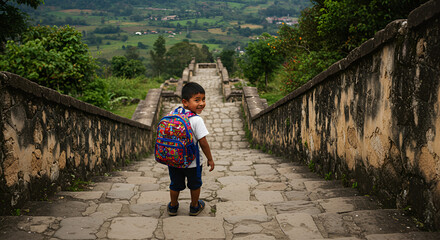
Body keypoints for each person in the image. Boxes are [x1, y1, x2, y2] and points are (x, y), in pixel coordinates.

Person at [167, 82, 215, 216]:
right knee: (195, 184)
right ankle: (194, 206)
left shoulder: (173, 113)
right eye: (197, 100)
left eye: (203, 99)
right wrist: (210, 159)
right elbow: (203, 142)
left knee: (175, 184)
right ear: (185, 102)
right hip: (192, 162)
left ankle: (173, 206)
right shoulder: (196, 120)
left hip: (174, 160)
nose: (201, 103)